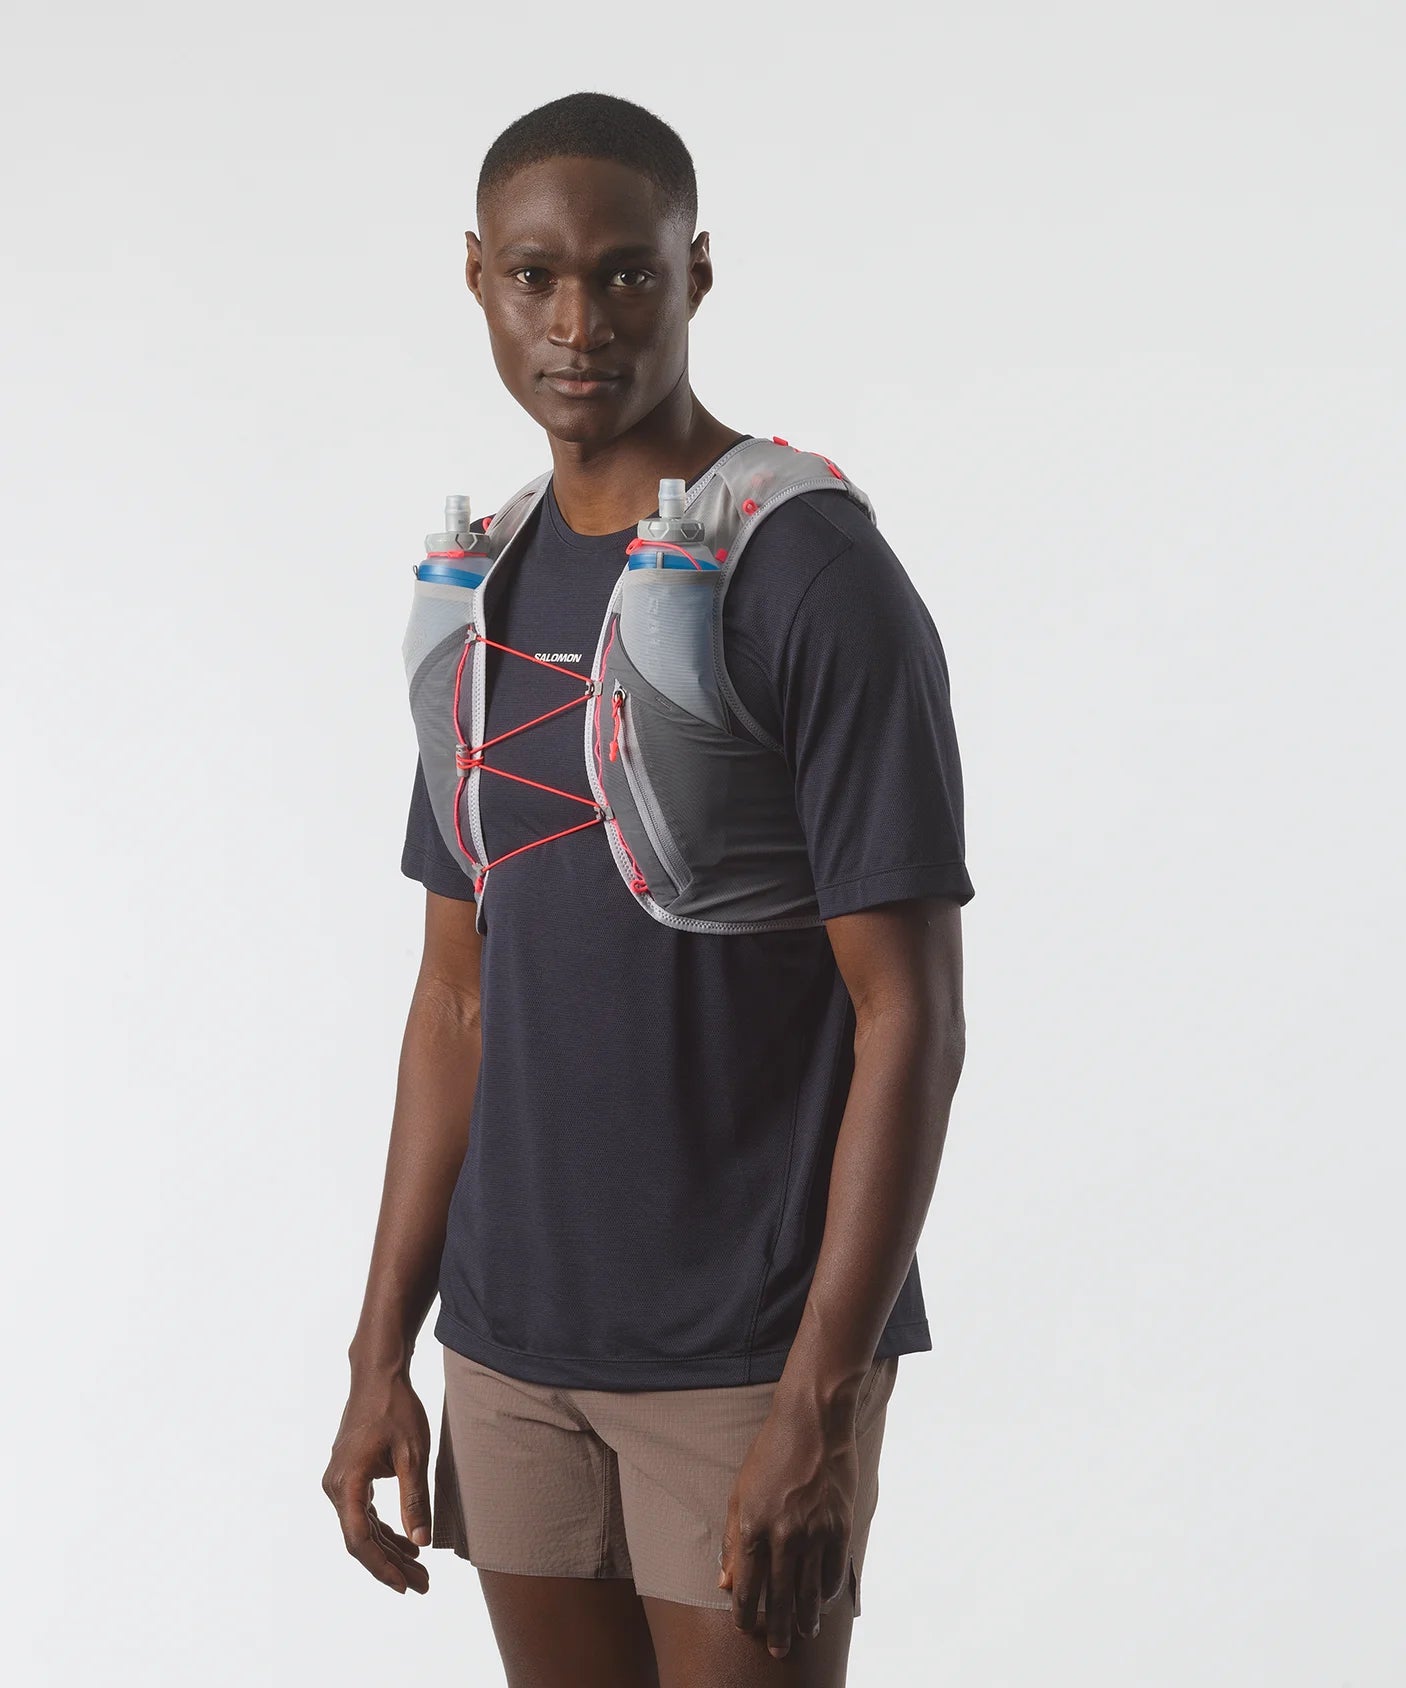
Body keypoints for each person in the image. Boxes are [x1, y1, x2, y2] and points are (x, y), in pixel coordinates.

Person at [323, 91, 973, 1687]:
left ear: (696, 274)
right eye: (534, 276)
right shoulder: (482, 585)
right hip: (512, 1345)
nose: (578, 322)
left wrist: (816, 1400)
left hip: (745, 1354)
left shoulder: (808, 570)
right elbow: (455, 997)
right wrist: (379, 1350)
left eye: (626, 272)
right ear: (475, 276)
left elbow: (909, 1018)